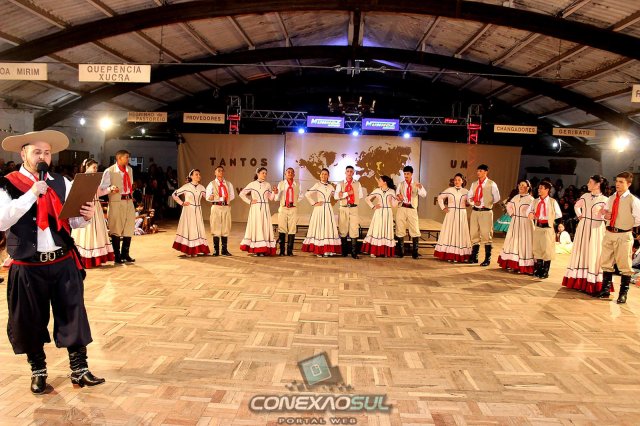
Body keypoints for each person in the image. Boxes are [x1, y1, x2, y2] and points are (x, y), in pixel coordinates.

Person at [0, 130, 105, 394]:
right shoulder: (7, 184)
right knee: (29, 320)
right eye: (37, 152)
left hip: (62, 261)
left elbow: (73, 221)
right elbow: (2, 221)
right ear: (23, 154)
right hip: (27, 265)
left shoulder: (62, 182)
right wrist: (31, 194)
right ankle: (38, 371)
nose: (43, 157)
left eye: (47, 152)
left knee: (73, 313)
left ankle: (79, 369)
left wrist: (86, 216)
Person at [594, 171, 640, 303]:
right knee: (606, 262)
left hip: (623, 234)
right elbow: (606, 214)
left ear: (628, 184)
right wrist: (605, 215)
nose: (618, 184)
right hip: (609, 233)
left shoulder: (633, 200)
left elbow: (638, 219)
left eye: (621, 182)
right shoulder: (611, 198)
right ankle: (605, 290)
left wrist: (626, 225)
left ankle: (623, 294)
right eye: (617, 181)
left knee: (625, 265)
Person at [561, 176, 608, 294]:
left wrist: (603, 214)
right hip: (584, 226)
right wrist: (580, 215)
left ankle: (591, 281)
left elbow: (608, 215)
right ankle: (578, 279)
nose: (587, 184)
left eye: (590, 182)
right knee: (581, 250)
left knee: (594, 251)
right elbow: (576, 206)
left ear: (598, 184)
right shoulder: (585, 196)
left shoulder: (605, 199)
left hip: (597, 227)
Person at [71, 159, 115, 268]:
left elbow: (99, 193)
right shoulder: (80, 179)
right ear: (87, 167)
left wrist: (110, 189)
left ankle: (95, 259)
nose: (96, 169)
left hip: (96, 208)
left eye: (97, 167)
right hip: (85, 208)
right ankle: (84, 259)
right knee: (85, 233)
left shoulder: (95, 179)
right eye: (94, 167)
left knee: (97, 233)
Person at [302, 168, 342, 256]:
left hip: (328, 209)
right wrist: (314, 203)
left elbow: (336, 196)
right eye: (322, 174)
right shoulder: (317, 185)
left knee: (328, 227)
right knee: (320, 227)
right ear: (320, 175)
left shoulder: (330, 186)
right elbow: (307, 194)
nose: (324, 176)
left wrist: (341, 194)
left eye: (325, 174)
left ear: (328, 176)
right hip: (319, 209)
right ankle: (319, 250)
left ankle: (328, 250)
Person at [497, 180, 535, 274]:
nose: (521, 187)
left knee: (523, 242)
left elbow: (534, 210)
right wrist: (512, 214)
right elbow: (508, 206)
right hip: (515, 221)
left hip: (525, 223)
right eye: (520, 185)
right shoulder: (515, 197)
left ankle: (522, 265)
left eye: (523, 185)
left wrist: (529, 215)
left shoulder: (531, 199)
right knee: (513, 242)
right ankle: (512, 264)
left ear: (528, 188)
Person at [106, 150, 136, 264]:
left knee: (129, 226)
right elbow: (103, 186)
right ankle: (117, 255)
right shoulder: (110, 171)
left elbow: (130, 185)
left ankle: (125, 253)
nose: (128, 159)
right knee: (116, 227)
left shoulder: (129, 170)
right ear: (119, 158)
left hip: (128, 200)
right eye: (126, 157)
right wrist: (110, 189)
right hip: (117, 201)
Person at [434, 173, 472, 262]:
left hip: (461, 214)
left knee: (460, 232)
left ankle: (459, 255)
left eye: (459, 180)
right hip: (451, 214)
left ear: (462, 181)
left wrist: (472, 203)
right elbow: (440, 197)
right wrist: (443, 207)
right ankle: (449, 255)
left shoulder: (466, 191)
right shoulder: (449, 190)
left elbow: (471, 201)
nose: (457, 181)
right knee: (449, 232)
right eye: (455, 180)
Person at [239, 167, 277, 256]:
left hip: (265, 208)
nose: (265, 175)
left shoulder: (267, 184)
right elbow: (241, 194)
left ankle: (264, 249)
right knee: (257, 226)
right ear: (258, 174)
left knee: (264, 227)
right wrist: (250, 201)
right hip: (256, 208)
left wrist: (274, 192)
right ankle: (257, 249)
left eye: (266, 173)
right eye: (263, 173)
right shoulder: (252, 184)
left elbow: (271, 198)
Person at [467, 164, 500, 266]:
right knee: (474, 233)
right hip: (475, 211)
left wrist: (487, 202)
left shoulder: (491, 184)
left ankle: (487, 259)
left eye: (480, 171)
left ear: (486, 172)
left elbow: (497, 198)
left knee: (486, 234)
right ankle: (474, 256)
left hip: (486, 211)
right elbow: (469, 196)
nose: (478, 173)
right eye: (477, 171)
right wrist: (474, 202)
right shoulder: (474, 184)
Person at [528, 181, 562, 279]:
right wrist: (531, 214)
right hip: (538, 227)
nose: (539, 190)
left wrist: (549, 218)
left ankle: (545, 271)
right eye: (539, 188)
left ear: (547, 190)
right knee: (537, 248)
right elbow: (529, 211)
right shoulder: (535, 201)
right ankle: (539, 269)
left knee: (547, 249)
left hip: (547, 227)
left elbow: (559, 214)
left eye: (541, 188)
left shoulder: (552, 201)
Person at [172, 169, 210, 256]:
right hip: (189, 210)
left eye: (199, 174)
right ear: (191, 176)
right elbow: (174, 194)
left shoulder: (201, 187)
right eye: (196, 174)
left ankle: (198, 248)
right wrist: (182, 203)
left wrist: (214, 197)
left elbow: (208, 198)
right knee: (189, 229)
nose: (198, 176)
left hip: (198, 211)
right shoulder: (186, 186)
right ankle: (188, 250)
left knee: (198, 229)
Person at [395, 165, 427, 259]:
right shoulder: (401, 184)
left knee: (415, 229)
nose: (406, 175)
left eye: (407, 174)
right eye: (404, 174)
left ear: (411, 174)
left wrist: (420, 187)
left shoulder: (416, 184)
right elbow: (397, 194)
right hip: (402, 207)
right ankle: (401, 252)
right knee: (400, 227)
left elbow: (424, 194)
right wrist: (399, 196)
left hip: (412, 208)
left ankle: (415, 252)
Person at [361, 176, 397, 257]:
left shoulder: (391, 191)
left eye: (380, 180)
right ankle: (374, 251)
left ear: (385, 182)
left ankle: (385, 252)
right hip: (379, 212)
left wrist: (398, 199)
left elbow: (394, 205)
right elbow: (367, 199)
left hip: (388, 212)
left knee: (386, 230)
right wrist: (373, 207)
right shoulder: (377, 190)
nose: (378, 181)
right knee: (377, 230)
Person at [334, 165, 364, 259]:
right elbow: (336, 196)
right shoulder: (340, 183)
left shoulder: (357, 183)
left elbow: (360, 195)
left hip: (353, 207)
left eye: (351, 171)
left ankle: (354, 253)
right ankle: (344, 252)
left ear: (353, 173)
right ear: (345, 172)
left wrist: (343, 194)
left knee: (354, 229)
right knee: (343, 229)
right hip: (343, 207)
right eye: (348, 171)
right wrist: (347, 193)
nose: (349, 173)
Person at [205, 166, 235, 256]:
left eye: (222, 171)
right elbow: (207, 197)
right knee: (215, 227)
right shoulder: (211, 184)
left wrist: (225, 200)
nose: (220, 172)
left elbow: (232, 196)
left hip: (226, 207)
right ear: (215, 173)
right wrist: (216, 198)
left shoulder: (228, 184)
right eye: (218, 171)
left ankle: (224, 250)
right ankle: (216, 250)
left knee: (226, 227)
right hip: (216, 207)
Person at [274, 167, 300, 256]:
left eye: (292, 172)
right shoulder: (281, 184)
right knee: (282, 228)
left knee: (292, 229)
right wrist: (276, 193)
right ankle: (282, 251)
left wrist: (294, 202)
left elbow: (301, 195)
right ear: (285, 174)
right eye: (288, 172)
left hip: (293, 208)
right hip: (283, 208)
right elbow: (277, 198)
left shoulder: (297, 184)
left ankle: (290, 251)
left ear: (294, 174)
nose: (290, 173)